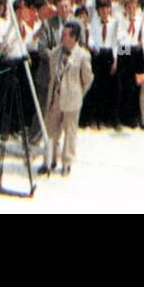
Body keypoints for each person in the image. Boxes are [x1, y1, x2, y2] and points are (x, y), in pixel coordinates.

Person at [44, 21, 92, 176]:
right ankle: (49, 160)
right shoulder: (55, 52)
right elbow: (52, 73)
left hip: (72, 98)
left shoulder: (83, 55)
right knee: (51, 130)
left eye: (65, 35)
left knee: (70, 133)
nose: (62, 37)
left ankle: (67, 163)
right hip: (56, 97)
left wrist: (78, 93)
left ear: (74, 37)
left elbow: (88, 78)